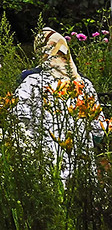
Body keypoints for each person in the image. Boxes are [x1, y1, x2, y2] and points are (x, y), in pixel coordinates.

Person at [14, 27, 107, 180]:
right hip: (81, 168)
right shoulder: (85, 85)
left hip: (44, 167)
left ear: (41, 52)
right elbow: (99, 131)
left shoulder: (30, 82)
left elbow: (18, 124)